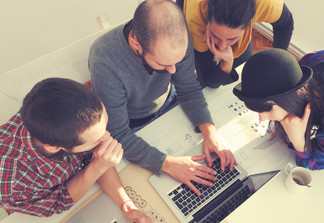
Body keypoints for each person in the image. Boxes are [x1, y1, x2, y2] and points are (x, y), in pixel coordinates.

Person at [89, 0, 236, 196]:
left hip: (169, 102)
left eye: (177, 61)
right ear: (136, 44)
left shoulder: (176, 32)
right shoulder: (104, 60)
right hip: (132, 124)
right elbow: (118, 132)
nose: (173, 71)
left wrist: (209, 132)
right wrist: (167, 163)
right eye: (163, 64)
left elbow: (188, 88)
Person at [0, 78, 158, 223]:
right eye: (96, 140)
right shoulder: (14, 187)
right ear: (53, 147)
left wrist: (127, 205)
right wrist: (98, 166)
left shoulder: (71, 112)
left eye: (105, 127)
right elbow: (59, 202)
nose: (108, 136)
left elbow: (92, 156)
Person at [233, 47, 324, 170]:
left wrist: (298, 140)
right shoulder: (307, 64)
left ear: (290, 98)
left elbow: (313, 163)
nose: (261, 119)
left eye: (267, 109)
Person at [179, 0, 294, 88]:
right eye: (215, 35)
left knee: (243, 70)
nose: (223, 47)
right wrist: (226, 63)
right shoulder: (196, 17)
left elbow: (285, 24)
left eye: (231, 38)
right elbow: (209, 80)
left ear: (248, 24)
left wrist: (276, 63)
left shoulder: (267, 4)